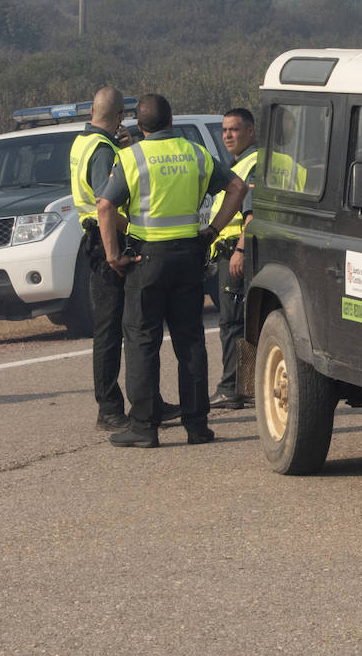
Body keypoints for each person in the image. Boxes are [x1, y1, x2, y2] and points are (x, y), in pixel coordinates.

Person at [97, 93, 247, 448]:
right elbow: (237, 188)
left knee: (142, 341)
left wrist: (113, 255)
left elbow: (104, 207)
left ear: (139, 126)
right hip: (189, 256)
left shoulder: (131, 156)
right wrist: (212, 230)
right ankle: (197, 425)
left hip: (146, 260)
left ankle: (144, 427)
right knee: (190, 340)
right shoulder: (195, 153)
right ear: (171, 121)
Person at [69, 86, 179, 431]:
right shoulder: (102, 151)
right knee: (115, 331)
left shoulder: (83, 143)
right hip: (109, 246)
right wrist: (134, 227)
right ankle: (111, 408)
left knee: (131, 327)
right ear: (119, 117)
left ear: (91, 111)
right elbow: (107, 205)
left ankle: (147, 403)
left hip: (98, 243)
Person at [208, 108, 258, 410]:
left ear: (250, 131)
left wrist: (239, 250)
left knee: (233, 323)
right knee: (242, 322)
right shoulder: (241, 162)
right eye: (225, 130)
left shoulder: (251, 164)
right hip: (236, 253)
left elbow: (252, 215)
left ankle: (232, 388)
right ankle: (248, 387)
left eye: (234, 130)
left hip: (239, 255)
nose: (227, 135)